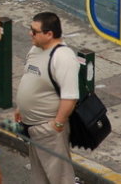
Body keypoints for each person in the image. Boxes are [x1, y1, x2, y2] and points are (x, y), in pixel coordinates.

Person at [15, 12, 79, 183]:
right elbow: (29, 76)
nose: (30, 33)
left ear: (49, 34)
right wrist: (20, 107)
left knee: (59, 177)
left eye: (34, 31)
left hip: (49, 129)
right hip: (32, 127)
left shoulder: (63, 57)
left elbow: (70, 97)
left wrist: (57, 124)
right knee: (39, 177)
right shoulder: (35, 49)